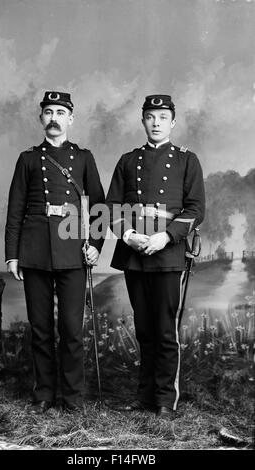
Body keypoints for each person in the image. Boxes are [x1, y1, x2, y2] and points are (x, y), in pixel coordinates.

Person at [5, 91, 105, 413]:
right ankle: (44, 394)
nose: (54, 118)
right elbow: (15, 209)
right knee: (41, 327)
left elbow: (99, 207)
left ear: (70, 119)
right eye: (48, 112)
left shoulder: (84, 158)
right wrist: (12, 254)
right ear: (41, 118)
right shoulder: (28, 159)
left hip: (74, 250)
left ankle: (73, 398)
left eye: (60, 112)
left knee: (72, 331)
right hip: (35, 251)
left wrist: (96, 248)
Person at [106, 95, 205, 418]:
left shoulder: (187, 160)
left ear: (173, 122)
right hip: (135, 254)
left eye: (163, 117)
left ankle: (165, 399)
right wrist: (130, 236)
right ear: (143, 121)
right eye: (151, 117)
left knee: (164, 330)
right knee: (144, 328)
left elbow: (195, 210)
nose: (157, 123)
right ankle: (145, 394)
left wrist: (165, 236)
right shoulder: (128, 160)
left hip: (167, 254)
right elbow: (111, 207)